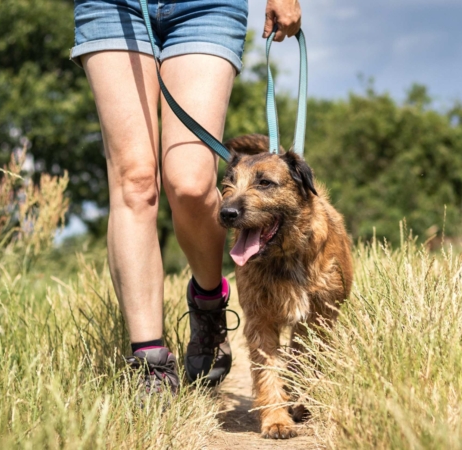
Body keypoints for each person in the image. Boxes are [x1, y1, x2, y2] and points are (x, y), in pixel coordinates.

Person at [70, 0, 302, 392]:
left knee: (191, 185)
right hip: (113, 7)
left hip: (205, 6)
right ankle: (150, 362)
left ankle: (209, 306)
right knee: (135, 181)